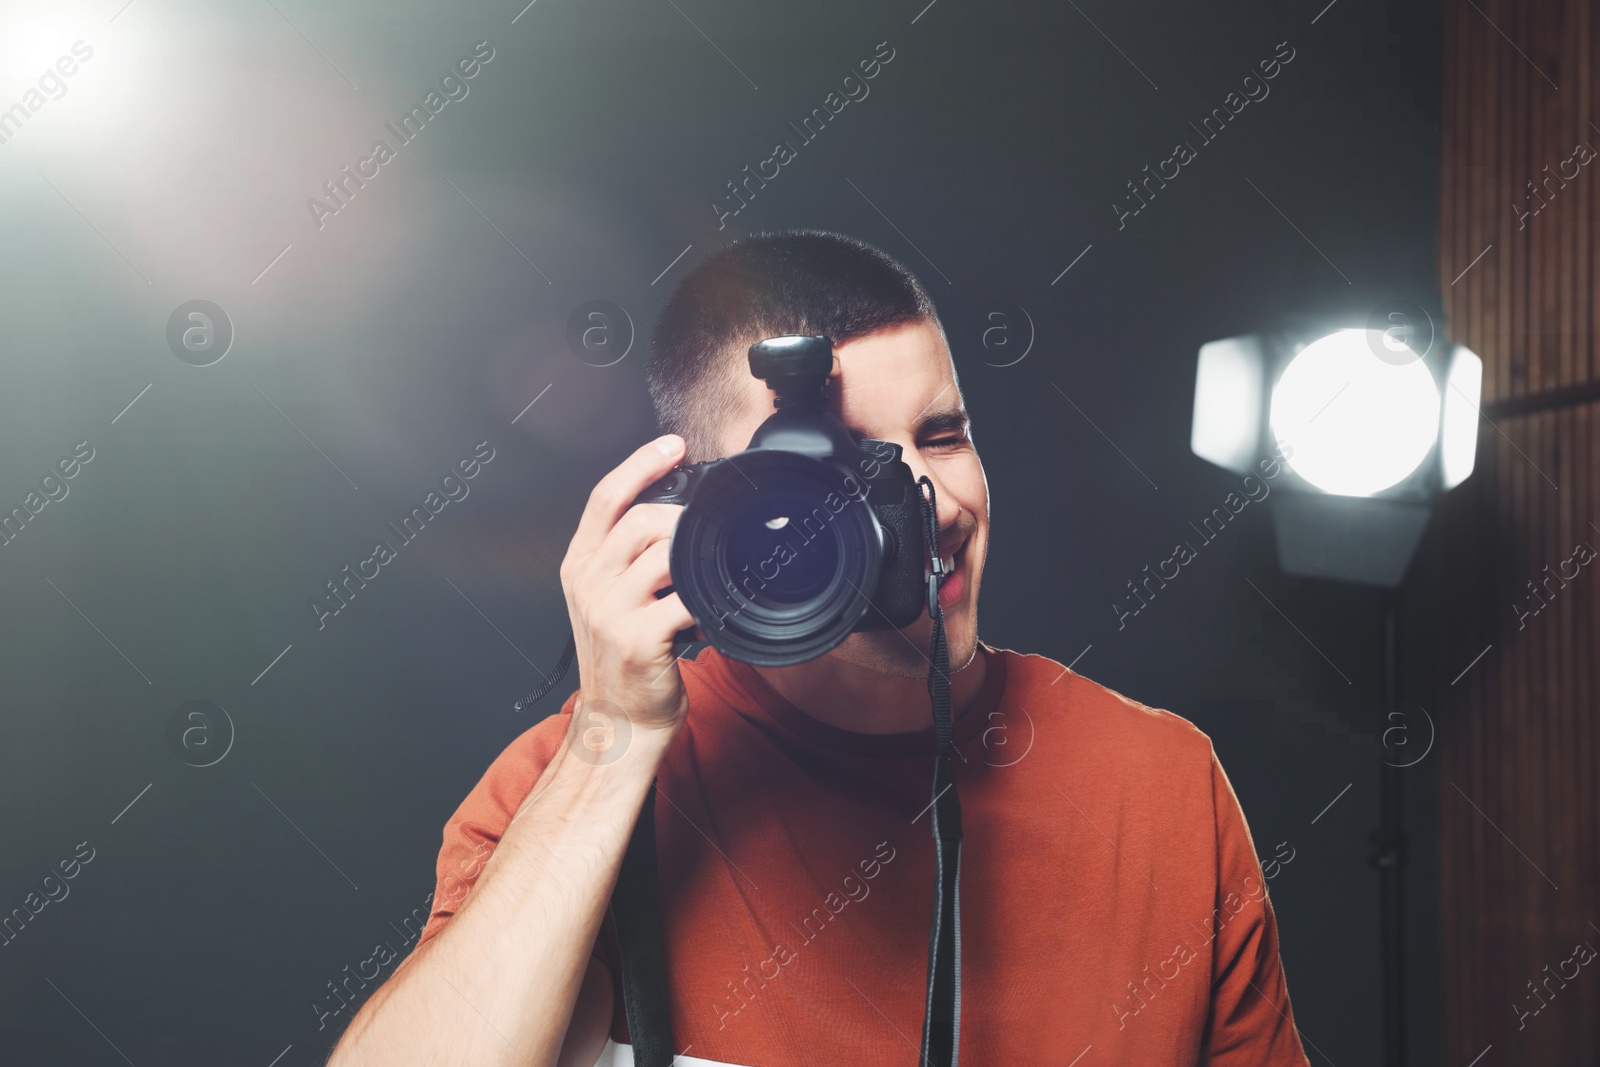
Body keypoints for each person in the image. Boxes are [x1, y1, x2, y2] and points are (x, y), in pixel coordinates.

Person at [326, 231, 1313, 1067]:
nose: (922, 508)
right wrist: (615, 740)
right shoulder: (573, 781)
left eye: (940, 435)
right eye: (841, 469)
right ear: (710, 514)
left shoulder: (1158, 784)